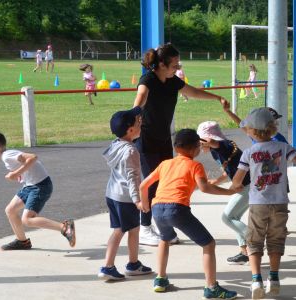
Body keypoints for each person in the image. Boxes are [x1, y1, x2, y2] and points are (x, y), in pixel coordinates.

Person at [133, 43, 229, 246]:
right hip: (146, 139)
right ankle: (144, 228)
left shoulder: (172, 81)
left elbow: (193, 92)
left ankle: (162, 227)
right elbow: (141, 96)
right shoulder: (148, 79)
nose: (177, 68)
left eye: (178, 65)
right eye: (174, 65)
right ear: (161, 64)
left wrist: (216, 97)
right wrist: (134, 113)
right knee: (152, 183)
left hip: (163, 138)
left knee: (166, 181)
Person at [229, 107, 296, 299]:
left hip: (258, 204)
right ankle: (273, 278)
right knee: (276, 239)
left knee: (254, 241)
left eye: (247, 128)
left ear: (254, 131)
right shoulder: (283, 148)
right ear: (272, 128)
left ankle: (256, 279)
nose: (246, 130)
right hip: (280, 202)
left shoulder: (248, 153)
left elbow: (237, 181)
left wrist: (235, 186)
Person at [139, 129, 238, 299]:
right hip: (176, 209)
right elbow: (205, 188)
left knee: (165, 239)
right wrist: (230, 192)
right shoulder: (195, 165)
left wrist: (144, 204)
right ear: (195, 149)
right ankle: (211, 288)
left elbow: (143, 185)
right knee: (208, 244)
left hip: (157, 208)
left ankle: (160, 279)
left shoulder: (165, 164)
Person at [0, 131, 75, 251]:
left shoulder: (7, 155)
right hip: (30, 186)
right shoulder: (7, 156)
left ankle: (65, 228)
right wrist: (19, 174)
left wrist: (16, 173)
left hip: (40, 186)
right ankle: (22, 242)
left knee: (27, 220)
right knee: (10, 210)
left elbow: (33, 157)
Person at [98, 107, 153, 281]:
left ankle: (132, 263)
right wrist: (138, 200)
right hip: (125, 198)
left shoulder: (115, 145)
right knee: (123, 231)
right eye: (138, 123)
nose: (140, 123)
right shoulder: (131, 151)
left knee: (128, 229)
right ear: (130, 130)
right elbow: (132, 177)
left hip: (112, 194)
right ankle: (110, 266)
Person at [197, 120, 251, 265]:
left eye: (201, 140)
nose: (200, 145)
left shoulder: (224, 145)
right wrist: (217, 181)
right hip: (243, 186)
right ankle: (244, 252)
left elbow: (216, 143)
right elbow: (230, 169)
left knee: (227, 217)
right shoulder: (217, 151)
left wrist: (207, 141)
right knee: (235, 218)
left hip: (248, 187)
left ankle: (254, 239)